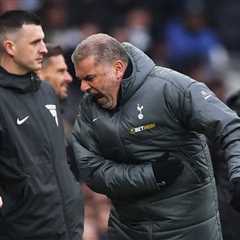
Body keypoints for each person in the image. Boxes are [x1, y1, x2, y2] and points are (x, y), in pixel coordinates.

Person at [69, 33, 240, 240]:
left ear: (117, 69)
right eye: (81, 79)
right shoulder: (89, 109)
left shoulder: (171, 87)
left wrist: (238, 175)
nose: (83, 88)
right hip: (127, 230)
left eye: (90, 78)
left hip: (187, 229)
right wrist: (150, 176)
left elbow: (230, 126)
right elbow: (90, 170)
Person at [0, 10, 83, 240]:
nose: (44, 49)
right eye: (36, 42)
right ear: (10, 47)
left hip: (68, 228)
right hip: (25, 231)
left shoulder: (47, 91)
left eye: (43, 41)